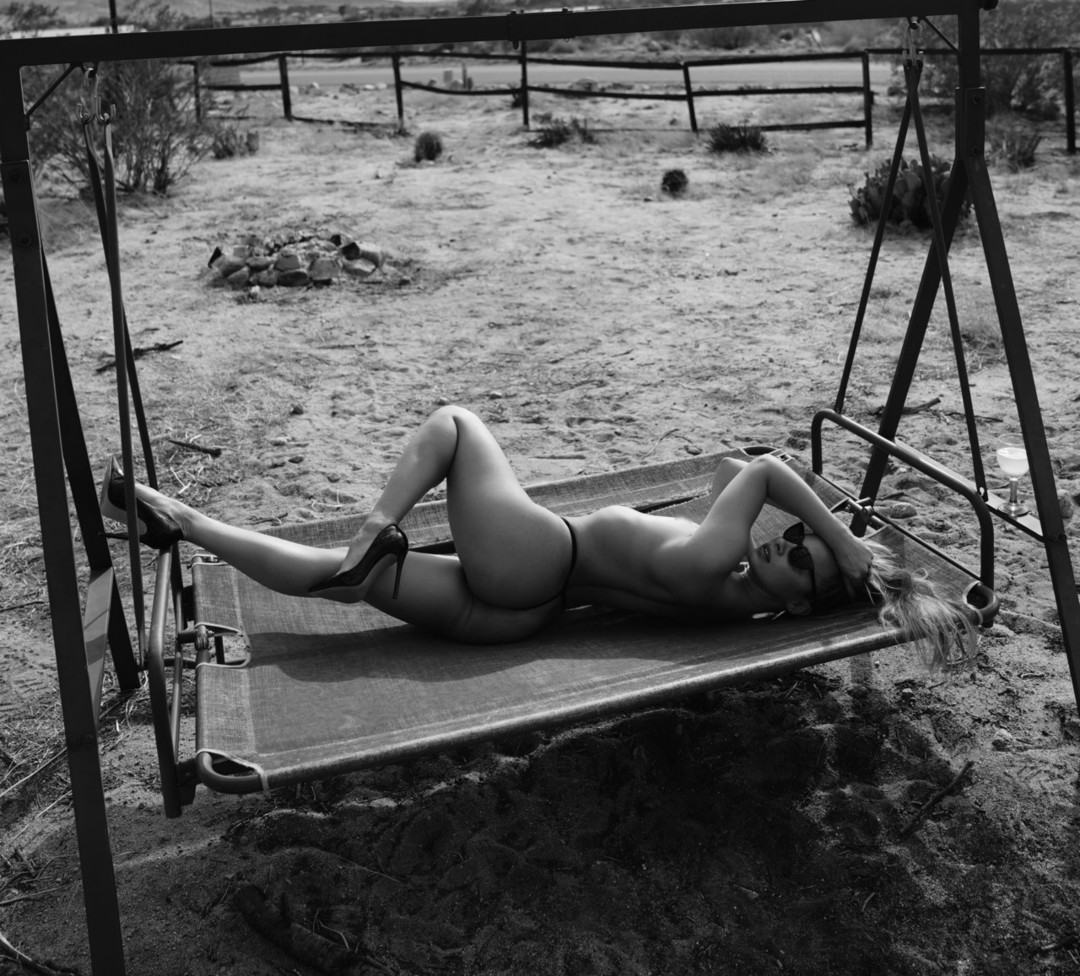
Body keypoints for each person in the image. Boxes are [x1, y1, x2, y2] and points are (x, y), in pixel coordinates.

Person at [100, 405, 977, 673]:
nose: (781, 546)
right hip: (521, 615)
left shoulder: (717, 557)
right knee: (343, 580)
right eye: (791, 540)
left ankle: (377, 528)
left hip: (540, 558)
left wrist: (841, 539)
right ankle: (183, 521)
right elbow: (731, 473)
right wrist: (837, 559)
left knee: (455, 425)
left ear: (797, 604)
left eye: (797, 559)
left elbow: (768, 467)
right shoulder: (732, 591)